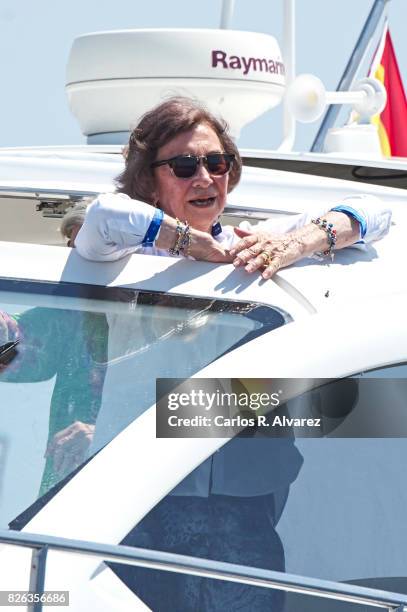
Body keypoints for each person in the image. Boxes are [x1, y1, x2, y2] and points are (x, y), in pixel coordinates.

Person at [70, 97, 391, 611]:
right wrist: (192, 245)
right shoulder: (122, 251)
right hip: (135, 502)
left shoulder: (255, 241)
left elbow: (376, 213)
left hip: (241, 514)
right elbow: (105, 216)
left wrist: (298, 243)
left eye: (217, 164)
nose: (205, 177)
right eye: (184, 165)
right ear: (149, 179)